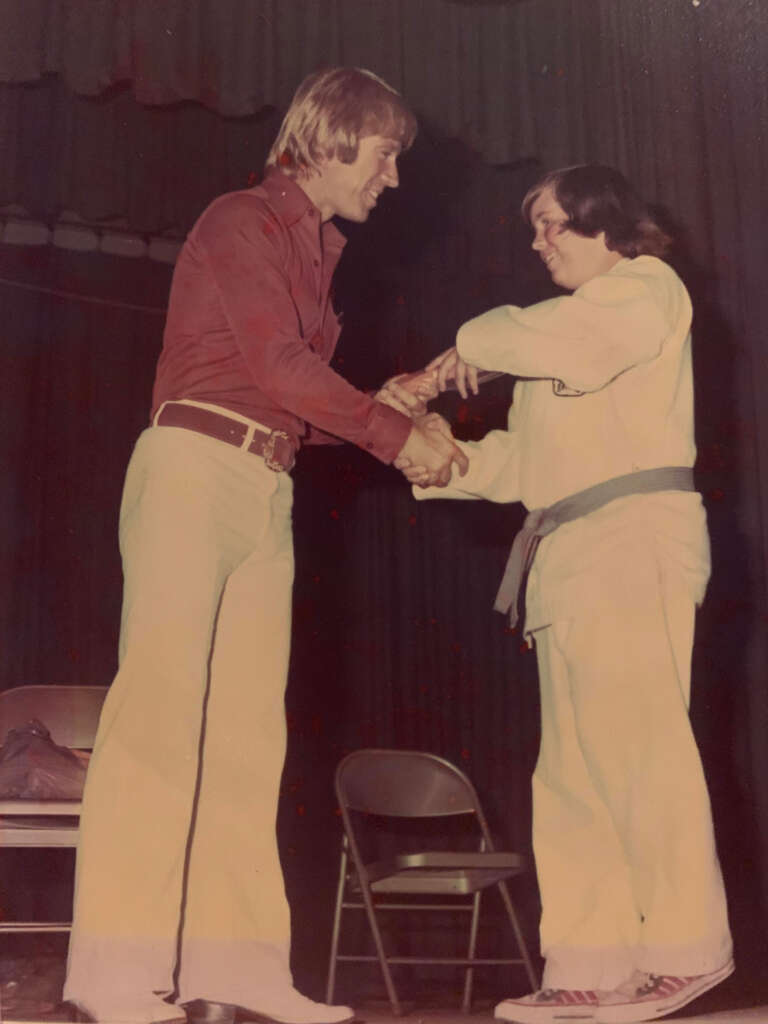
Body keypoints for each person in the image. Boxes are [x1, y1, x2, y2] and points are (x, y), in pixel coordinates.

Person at [63, 66, 467, 1024]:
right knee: (159, 723)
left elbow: (294, 402)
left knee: (249, 738)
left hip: (263, 483)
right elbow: (280, 368)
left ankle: (233, 972)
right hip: (192, 469)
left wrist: (385, 406)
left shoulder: (317, 257)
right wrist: (395, 432)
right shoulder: (240, 219)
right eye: (386, 155)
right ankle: (116, 979)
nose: (395, 178)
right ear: (332, 140)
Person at [399, 165, 733, 1024]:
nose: (539, 243)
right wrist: (430, 447)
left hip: (632, 541)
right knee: (574, 774)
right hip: (568, 554)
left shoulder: (643, 290)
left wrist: (463, 350)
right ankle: (591, 965)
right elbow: (524, 468)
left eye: (552, 225)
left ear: (604, 224)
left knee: (637, 749)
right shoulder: (557, 349)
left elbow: (550, 341)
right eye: (535, 230)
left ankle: (685, 951)